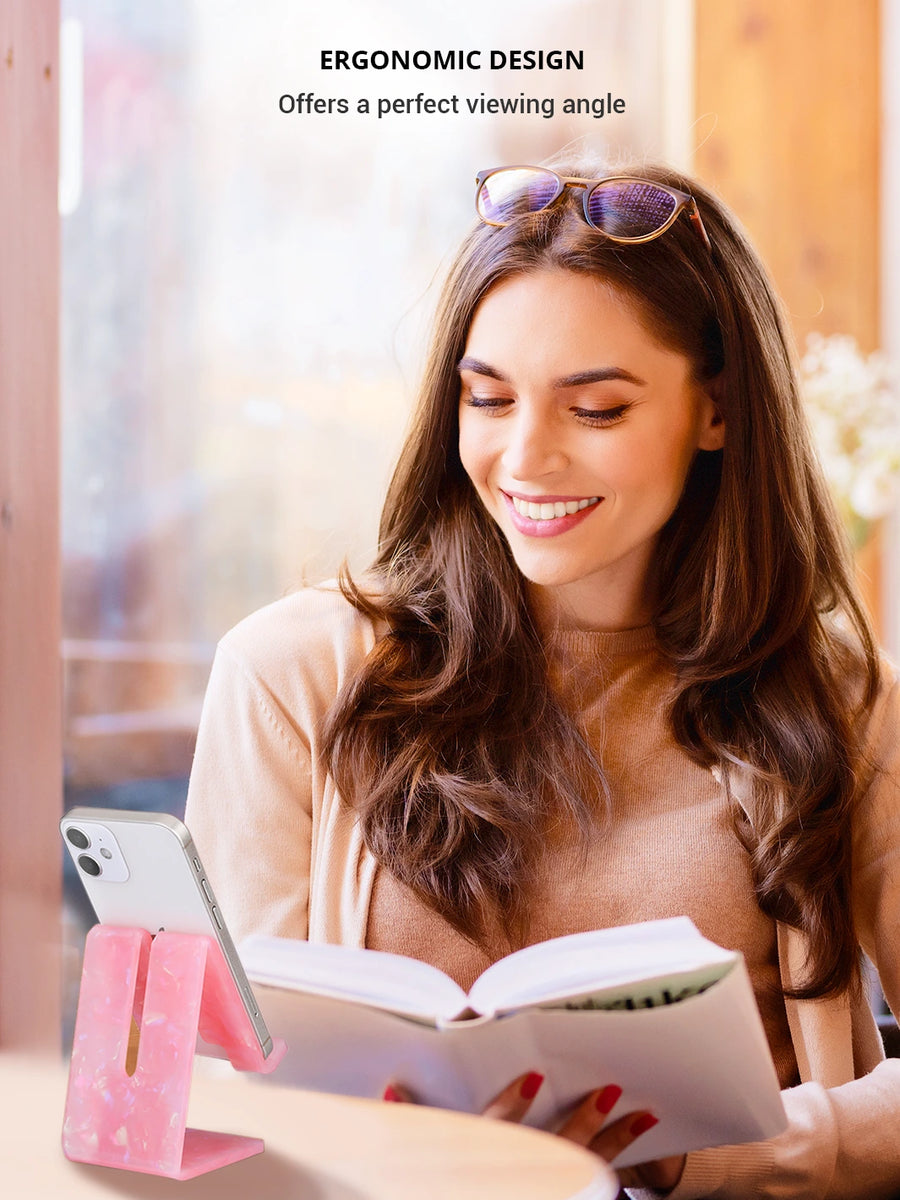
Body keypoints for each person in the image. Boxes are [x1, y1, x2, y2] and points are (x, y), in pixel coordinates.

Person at [184, 159, 900, 1197]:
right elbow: (222, 1092)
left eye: (596, 410)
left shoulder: (843, 703)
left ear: (718, 410)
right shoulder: (290, 681)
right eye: (488, 398)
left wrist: (727, 1155)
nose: (526, 458)